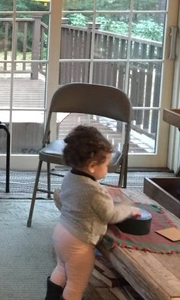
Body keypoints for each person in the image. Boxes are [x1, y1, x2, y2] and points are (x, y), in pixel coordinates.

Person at [46, 125, 141, 300]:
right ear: (92, 165)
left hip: (61, 233)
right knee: (75, 285)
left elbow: (81, 195)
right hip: (79, 243)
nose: (107, 168)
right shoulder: (94, 192)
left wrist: (101, 192)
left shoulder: (70, 176)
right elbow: (109, 215)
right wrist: (127, 208)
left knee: (61, 269)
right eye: (105, 164)